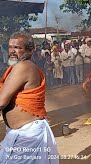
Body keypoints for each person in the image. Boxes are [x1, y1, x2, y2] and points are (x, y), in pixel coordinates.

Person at [0, 32, 59, 163]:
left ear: (30, 50)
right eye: (10, 47)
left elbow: (1, 102)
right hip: (18, 134)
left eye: (17, 48)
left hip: (28, 134)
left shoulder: (24, 66)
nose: (12, 51)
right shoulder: (14, 67)